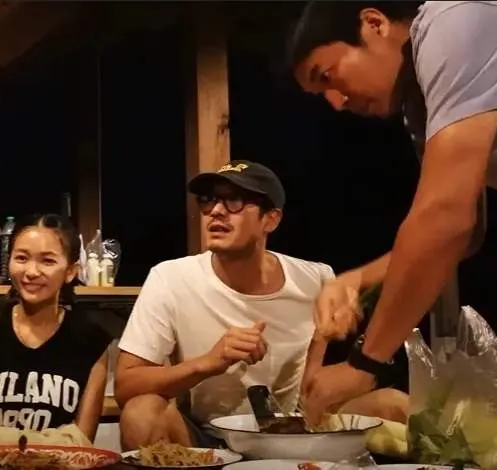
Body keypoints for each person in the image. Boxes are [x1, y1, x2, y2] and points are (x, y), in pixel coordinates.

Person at [287, 0, 497, 421]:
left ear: (374, 24)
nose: (336, 102)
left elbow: (446, 217)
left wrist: (364, 364)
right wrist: (357, 279)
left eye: (327, 77)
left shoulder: (451, 20)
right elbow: (462, 237)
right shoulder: (419, 109)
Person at [114, 161, 408, 450]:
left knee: (397, 405)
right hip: (205, 438)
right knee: (141, 413)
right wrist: (207, 363)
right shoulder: (171, 278)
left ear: (271, 219)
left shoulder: (315, 279)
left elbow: (315, 382)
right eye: (208, 200)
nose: (216, 211)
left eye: (234, 201)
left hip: (293, 431)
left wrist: (343, 344)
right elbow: (126, 384)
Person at [0, 214, 111, 447]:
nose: (31, 271)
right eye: (21, 258)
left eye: (47, 261)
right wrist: (58, 440)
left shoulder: (92, 340)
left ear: (71, 271)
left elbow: (82, 444)